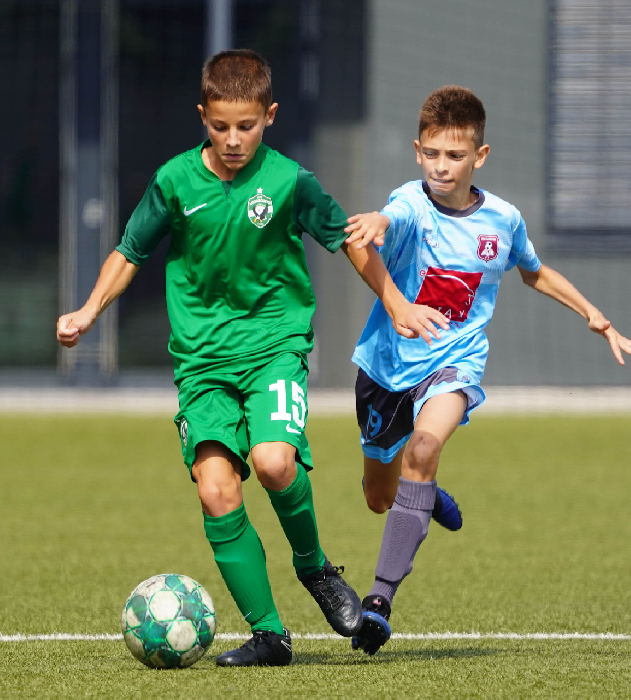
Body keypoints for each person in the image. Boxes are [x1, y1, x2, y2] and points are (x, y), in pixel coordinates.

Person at [56, 50, 447, 667]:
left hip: (273, 349)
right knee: (216, 491)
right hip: (202, 363)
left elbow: (348, 240)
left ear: (269, 115)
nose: (234, 139)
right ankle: (270, 635)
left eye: (246, 126)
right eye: (220, 126)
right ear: (202, 117)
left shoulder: (290, 181)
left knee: (272, 462)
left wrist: (396, 303)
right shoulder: (174, 181)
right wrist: (87, 311)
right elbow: (130, 251)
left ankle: (314, 567)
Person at [344, 86, 631, 655]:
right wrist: (378, 224)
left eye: (454, 155)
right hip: (385, 368)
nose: (441, 166)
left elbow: (534, 271)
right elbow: (388, 219)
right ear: (417, 150)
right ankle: (424, 494)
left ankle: (379, 601)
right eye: (432, 153)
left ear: (479, 156)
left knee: (424, 449)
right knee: (379, 497)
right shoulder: (409, 203)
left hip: (453, 363)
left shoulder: (503, 220)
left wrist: (593, 314)